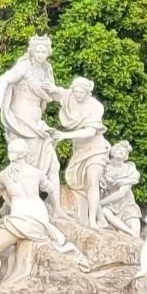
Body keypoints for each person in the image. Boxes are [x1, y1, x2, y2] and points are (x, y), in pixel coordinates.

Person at [0, 35, 74, 189]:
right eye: (38, 51)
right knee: (29, 160)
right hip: (22, 119)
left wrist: (58, 90)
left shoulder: (47, 70)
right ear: (32, 51)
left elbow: (54, 95)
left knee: (52, 164)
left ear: (48, 52)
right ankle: (24, 198)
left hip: (37, 121)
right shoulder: (24, 66)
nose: (41, 54)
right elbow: (3, 80)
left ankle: (54, 208)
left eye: (44, 51)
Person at [0, 158, 79, 290]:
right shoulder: (36, 172)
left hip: (19, 219)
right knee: (15, 242)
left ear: (10, 155)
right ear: (24, 154)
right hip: (39, 220)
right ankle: (6, 273)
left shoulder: (4, 175)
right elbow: (50, 188)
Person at [56, 77, 110, 228]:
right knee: (85, 186)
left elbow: (90, 131)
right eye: (76, 91)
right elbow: (54, 92)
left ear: (88, 92)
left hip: (96, 148)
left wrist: (64, 136)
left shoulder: (96, 106)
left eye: (81, 92)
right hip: (79, 149)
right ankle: (102, 219)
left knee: (93, 183)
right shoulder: (69, 98)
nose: (78, 95)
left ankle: (92, 221)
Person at [99, 140, 143, 237]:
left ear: (126, 155)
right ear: (113, 150)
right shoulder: (104, 168)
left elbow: (121, 193)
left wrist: (100, 203)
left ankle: (133, 236)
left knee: (135, 225)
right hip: (110, 204)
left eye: (124, 151)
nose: (121, 152)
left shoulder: (129, 169)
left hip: (127, 204)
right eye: (119, 149)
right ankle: (128, 232)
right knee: (105, 212)